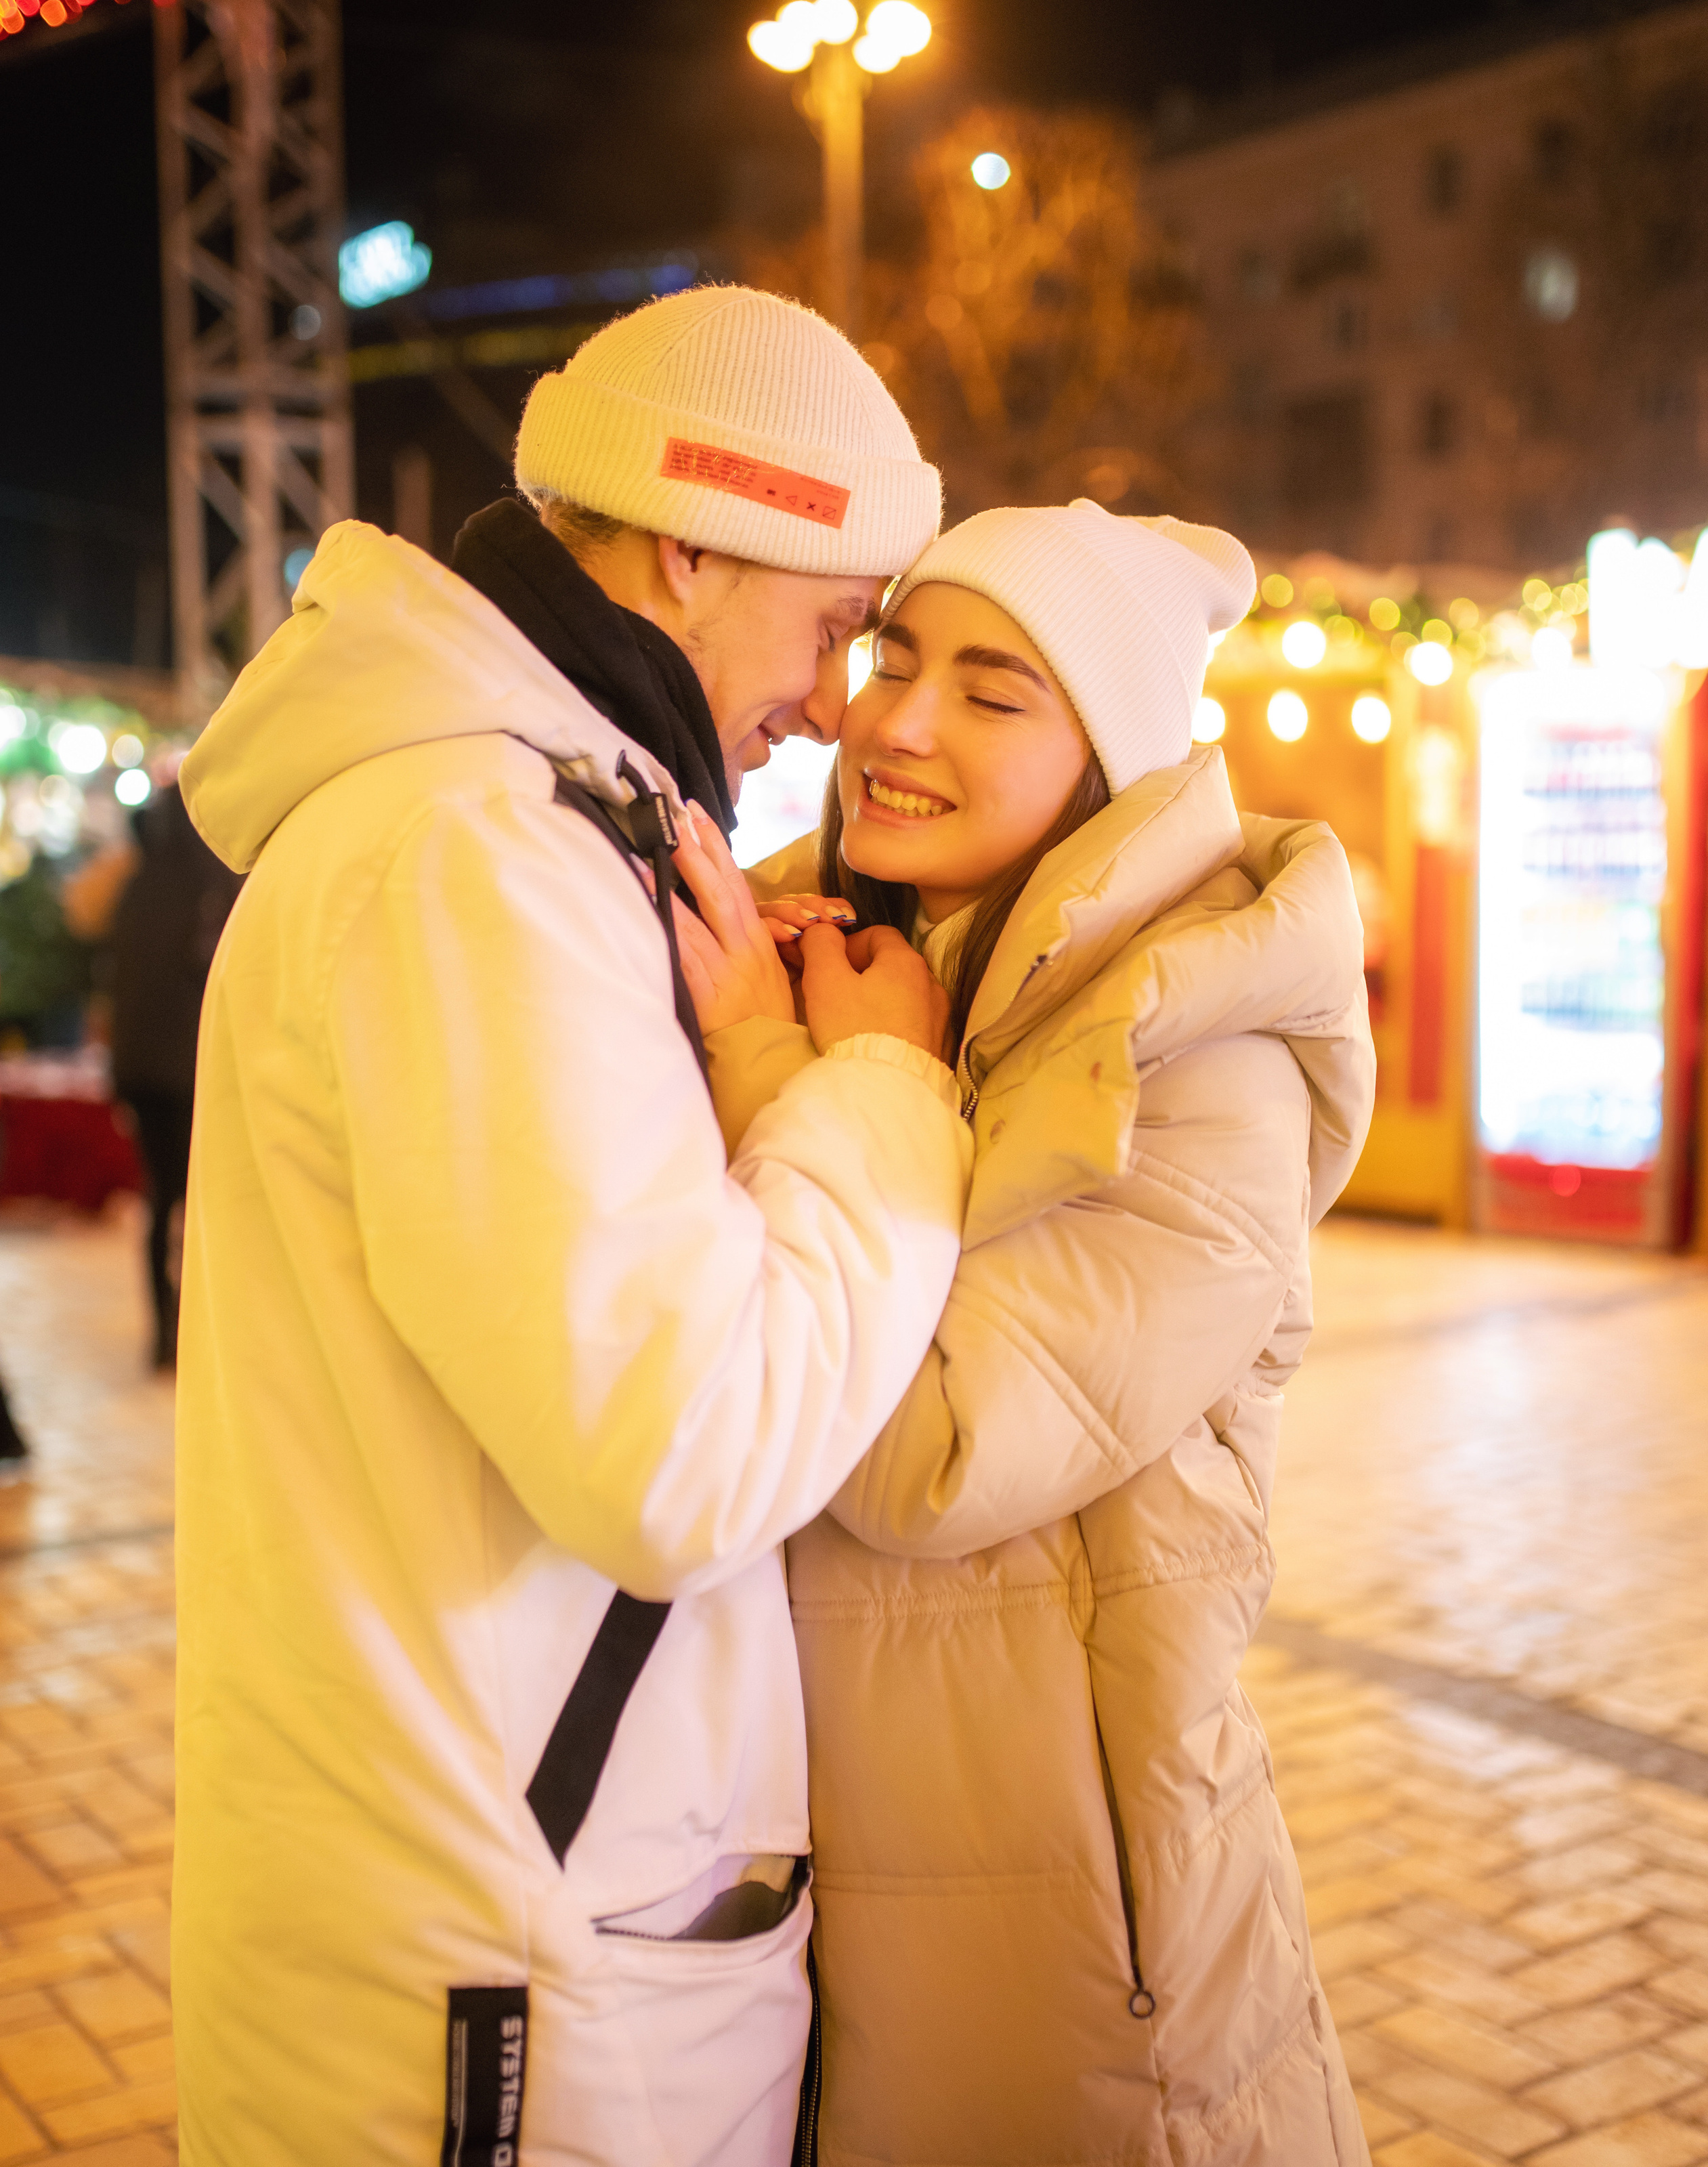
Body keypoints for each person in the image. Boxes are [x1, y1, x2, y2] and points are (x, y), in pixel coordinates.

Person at [171, 286, 971, 2167]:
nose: (835, 705)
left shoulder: (508, 825)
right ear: (691, 543)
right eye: (836, 624)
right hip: (510, 1981)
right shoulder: (480, 860)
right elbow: (675, 1449)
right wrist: (875, 1095)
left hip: (515, 1914)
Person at [687, 501, 1377, 2165]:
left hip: (1064, 1927)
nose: (896, 724)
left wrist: (820, 1079)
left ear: (1105, 758)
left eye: (995, 694)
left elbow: (924, 1455)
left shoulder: (1203, 1065)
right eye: (895, 657)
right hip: (810, 1882)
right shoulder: (832, 954)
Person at [105, 782, 243, 1369]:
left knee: (161, 1199)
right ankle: (190, 1329)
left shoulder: (134, 887)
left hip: (140, 1073)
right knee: (204, 1204)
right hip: (189, 1072)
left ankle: (164, 1330)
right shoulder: (213, 888)